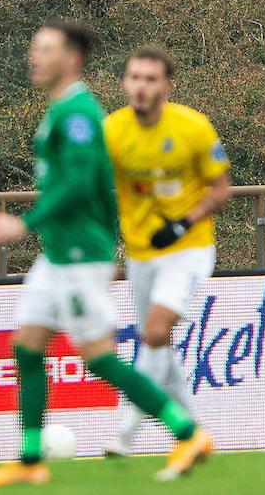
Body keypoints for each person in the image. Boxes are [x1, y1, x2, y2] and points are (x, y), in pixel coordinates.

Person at [0, 22, 213, 488]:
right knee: (25, 347)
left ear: (73, 60)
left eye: (46, 49)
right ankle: (29, 460)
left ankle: (188, 432)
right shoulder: (61, 110)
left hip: (81, 254)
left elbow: (79, 181)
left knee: (99, 358)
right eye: (34, 47)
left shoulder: (79, 112)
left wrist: (23, 223)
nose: (34, 57)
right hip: (57, 255)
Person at [102, 47, 232, 457]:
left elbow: (221, 187)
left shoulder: (192, 127)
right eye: (134, 78)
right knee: (159, 344)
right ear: (124, 83)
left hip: (188, 248)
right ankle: (192, 436)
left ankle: (125, 432)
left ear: (166, 86)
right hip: (141, 254)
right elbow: (98, 196)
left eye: (151, 79)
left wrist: (182, 223)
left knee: (154, 332)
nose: (141, 87)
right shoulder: (112, 131)